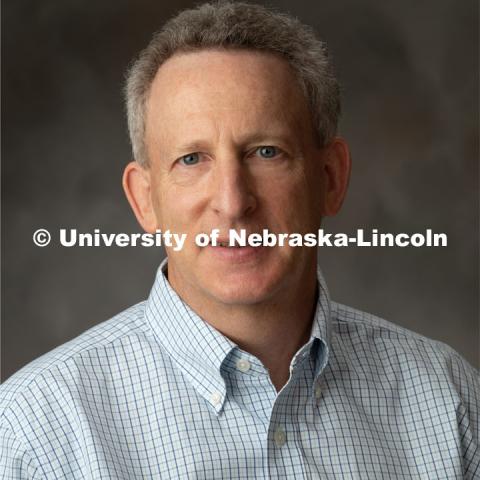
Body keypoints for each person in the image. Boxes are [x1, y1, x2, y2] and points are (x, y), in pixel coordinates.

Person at [1, 2, 478, 478]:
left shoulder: (449, 399)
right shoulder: (37, 434)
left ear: (330, 178)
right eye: (191, 159)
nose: (232, 201)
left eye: (266, 152)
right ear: (144, 200)